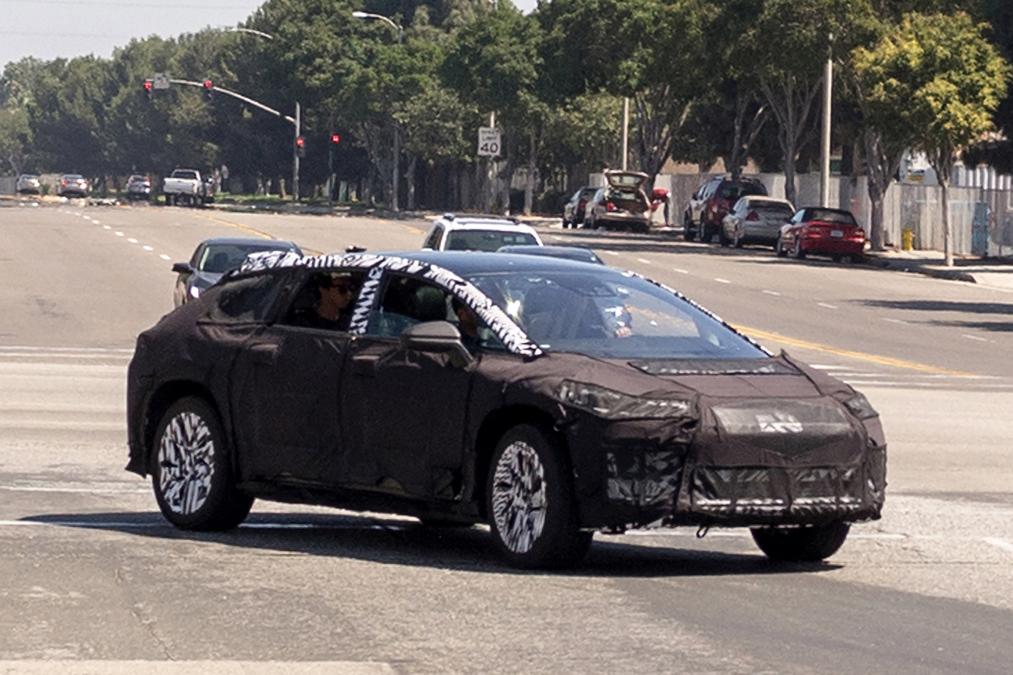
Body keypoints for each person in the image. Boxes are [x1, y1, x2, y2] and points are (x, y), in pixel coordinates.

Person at [291, 272, 358, 330]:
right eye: (342, 289)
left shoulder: (352, 321)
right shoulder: (304, 323)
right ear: (323, 289)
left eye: (351, 287)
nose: (349, 294)